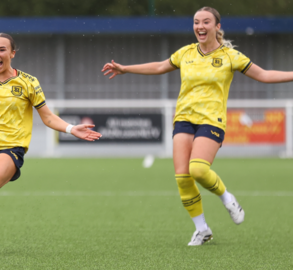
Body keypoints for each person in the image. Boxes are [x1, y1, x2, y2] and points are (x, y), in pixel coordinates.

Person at [102, 6, 293, 246]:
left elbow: (264, 75)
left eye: (205, 22)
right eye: (196, 22)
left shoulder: (231, 56)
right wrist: (125, 69)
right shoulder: (186, 53)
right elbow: (160, 66)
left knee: (199, 170)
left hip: (211, 120)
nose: (200, 27)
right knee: (183, 178)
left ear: (217, 27)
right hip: (183, 119)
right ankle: (202, 229)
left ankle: (227, 198)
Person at [0, 33, 102, 258]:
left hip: (10, 149)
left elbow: (48, 118)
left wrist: (71, 128)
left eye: (2, 50)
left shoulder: (28, 82)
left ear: (12, 53)